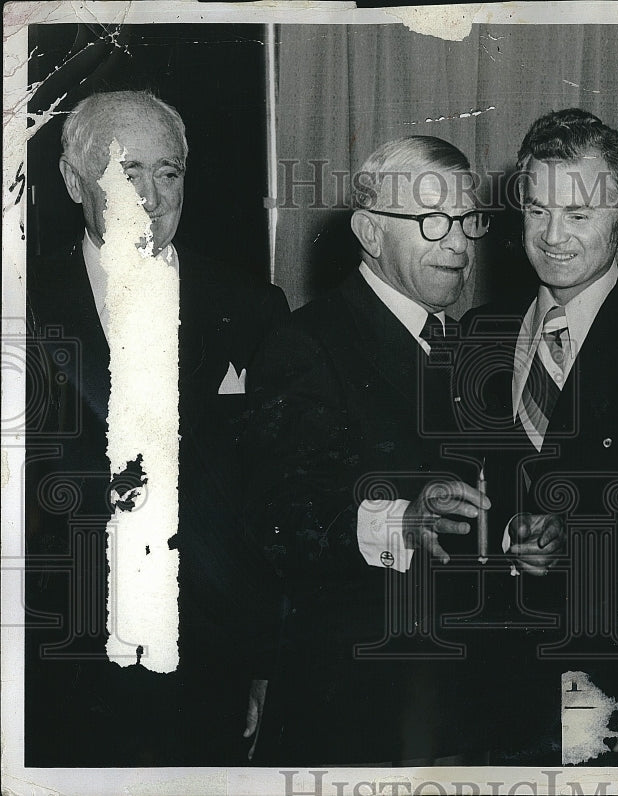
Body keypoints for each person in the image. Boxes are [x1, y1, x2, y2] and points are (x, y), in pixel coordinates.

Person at [24, 90, 289, 765]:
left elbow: (271, 501)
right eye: (126, 171)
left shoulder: (251, 309)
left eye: (168, 172)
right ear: (73, 180)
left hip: (205, 671)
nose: (151, 194)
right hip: (50, 670)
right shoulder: (18, 305)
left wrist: (264, 662)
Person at [456, 109, 618, 766]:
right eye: (538, 210)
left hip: (616, 688)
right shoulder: (479, 333)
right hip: (489, 685)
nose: (552, 236)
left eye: (578, 214)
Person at [242, 135, 498, 764]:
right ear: (370, 231)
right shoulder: (305, 341)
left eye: (467, 220)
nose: (461, 244)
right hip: (354, 712)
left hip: (463, 705)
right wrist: (403, 521)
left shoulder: (469, 343)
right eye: (433, 220)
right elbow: (278, 516)